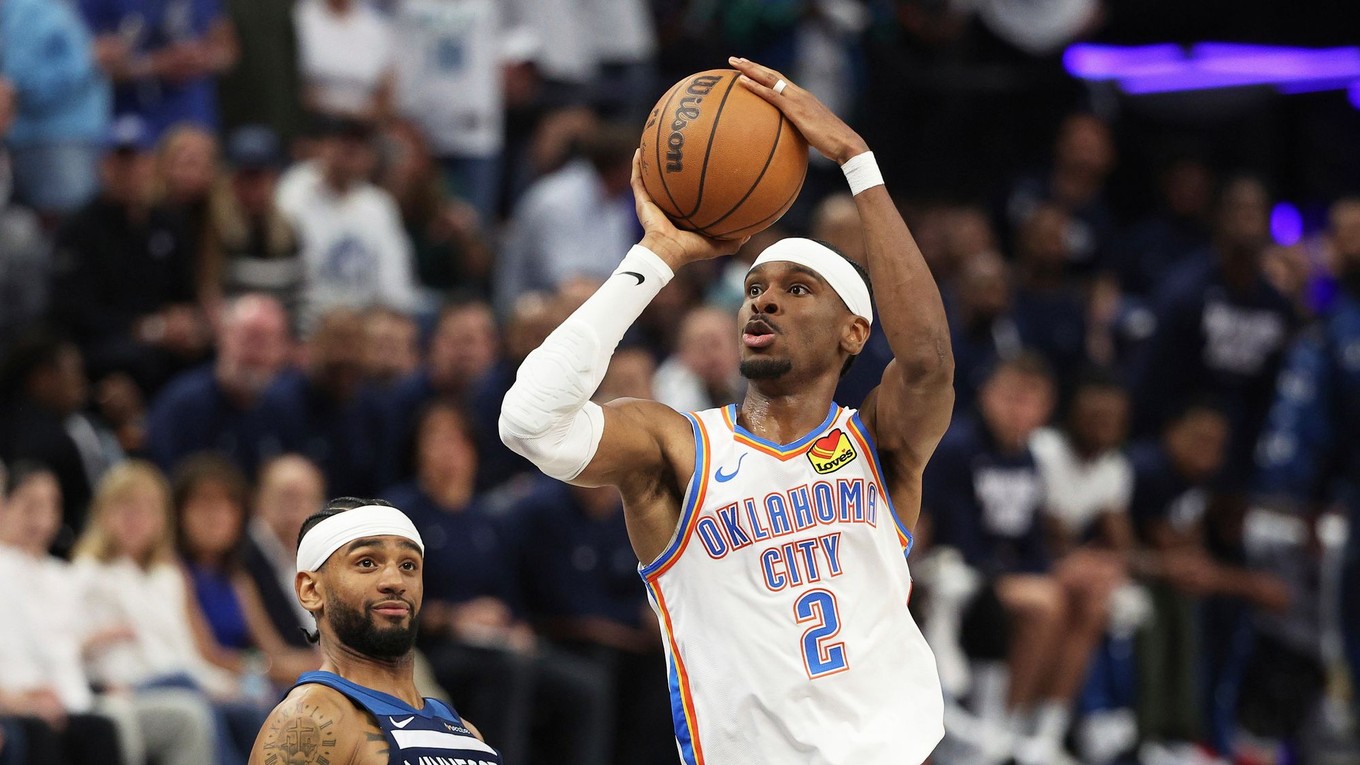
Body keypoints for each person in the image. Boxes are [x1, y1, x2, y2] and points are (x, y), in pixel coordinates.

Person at [499, 58, 950, 763]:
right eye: (754, 286)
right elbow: (528, 422)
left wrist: (857, 161)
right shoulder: (677, 448)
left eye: (797, 290)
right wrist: (657, 254)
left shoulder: (879, 442)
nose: (763, 299)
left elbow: (928, 363)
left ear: (854, 332)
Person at [247, 497, 502, 765]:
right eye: (367, 562)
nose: (395, 581)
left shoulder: (465, 730)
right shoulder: (310, 720)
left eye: (408, 565)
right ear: (310, 590)